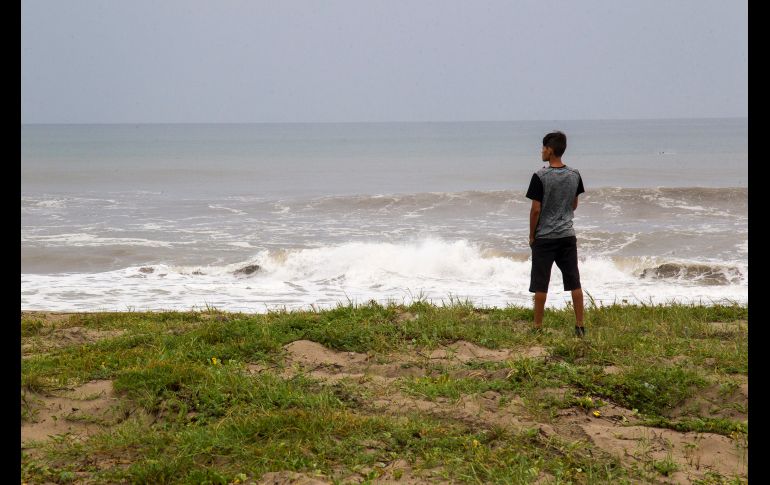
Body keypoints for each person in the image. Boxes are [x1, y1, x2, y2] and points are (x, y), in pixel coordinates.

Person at [525, 131, 585, 337]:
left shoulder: (540, 176)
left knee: (541, 283)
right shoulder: (575, 175)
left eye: (543, 148)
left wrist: (532, 235)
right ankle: (579, 326)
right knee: (574, 281)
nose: (541, 151)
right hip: (567, 235)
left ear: (550, 150)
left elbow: (535, 209)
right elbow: (574, 204)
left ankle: (538, 327)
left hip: (545, 237)